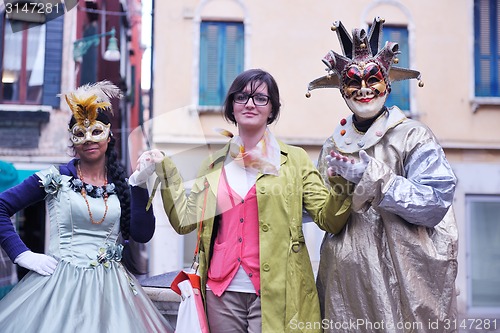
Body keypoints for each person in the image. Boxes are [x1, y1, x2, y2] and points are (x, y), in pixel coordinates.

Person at [129, 68, 353, 332]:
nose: (249, 103)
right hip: (220, 292)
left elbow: (329, 219)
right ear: (231, 107)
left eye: (260, 98)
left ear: (272, 109)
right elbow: (185, 221)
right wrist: (165, 171)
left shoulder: (295, 160)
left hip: (277, 291)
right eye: (241, 97)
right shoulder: (213, 165)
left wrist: (342, 183)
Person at [306, 17, 459, 332]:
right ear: (341, 88)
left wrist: (374, 177)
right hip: (344, 294)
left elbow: (434, 202)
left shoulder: (414, 136)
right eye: (352, 81)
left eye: (372, 79)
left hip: (401, 292)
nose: (363, 89)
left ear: (387, 83)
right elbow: (318, 211)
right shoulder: (333, 146)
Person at [0, 81, 173, 332]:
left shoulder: (124, 185)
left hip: (110, 295)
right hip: (58, 289)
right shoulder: (55, 179)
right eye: (80, 133)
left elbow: (142, 234)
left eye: (96, 131)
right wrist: (22, 254)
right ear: (73, 139)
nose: (89, 140)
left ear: (109, 135)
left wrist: (139, 184)